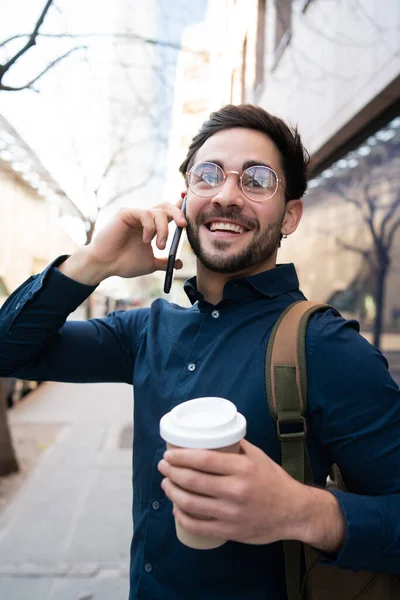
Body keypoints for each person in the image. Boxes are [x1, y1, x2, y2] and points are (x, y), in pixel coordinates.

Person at [0, 104, 399, 600]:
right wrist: (94, 261)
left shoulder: (326, 345)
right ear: (186, 199)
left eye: (257, 181)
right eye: (208, 176)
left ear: (290, 215)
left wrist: (303, 511)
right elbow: (9, 352)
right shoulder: (147, 330)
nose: (227, 196)